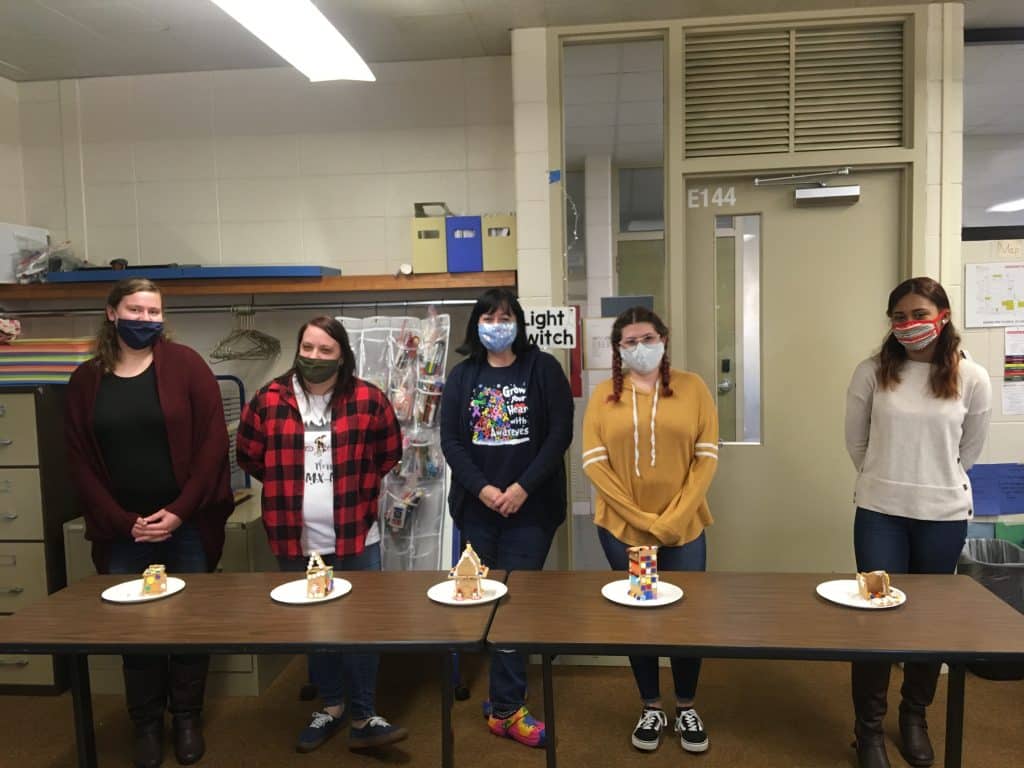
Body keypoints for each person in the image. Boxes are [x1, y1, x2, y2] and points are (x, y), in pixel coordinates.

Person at [65, 278, 234, 768]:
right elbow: (79, 462)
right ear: (112, 314)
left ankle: (186, 717)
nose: (145, 319)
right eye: (135, 310)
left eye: (154, 311)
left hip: (186, 523)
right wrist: (123, 521)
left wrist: (180, 510)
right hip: (123, 530)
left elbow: (211, 446)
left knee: (188, 626)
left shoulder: (187, 366)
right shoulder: (85, 381)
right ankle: (144, 723)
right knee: (133, 631)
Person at [236, 316, 408, 755]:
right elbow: (249, 455)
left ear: (342, 356)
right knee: (316, 628)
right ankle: (329, 707)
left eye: (325, 350)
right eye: (307, 348)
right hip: (296, 540)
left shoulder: (368, 398)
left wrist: (360, 488)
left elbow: (390, 451)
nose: (313, 357)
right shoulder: (269, 399)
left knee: (361, 627)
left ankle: (365, 715)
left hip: (356, 537)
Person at [844, 277, 991, 768]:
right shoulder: (872, 372)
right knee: (875, 620)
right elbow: (857, 443)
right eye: (899, 316)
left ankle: (913, 717)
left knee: (928, 624)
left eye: (918, 314)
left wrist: (932, 481)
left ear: (943, 315)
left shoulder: (972, 377)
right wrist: (887, 480)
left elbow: (967, 451)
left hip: (942, 518)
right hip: (880, 514)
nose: (908, 325)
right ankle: (867, 730)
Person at [581, 306, 719, 755]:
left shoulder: (693, 388)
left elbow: (706, 457)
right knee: (640, 618)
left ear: (664, 338)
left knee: (685, 621)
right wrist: (642, 523)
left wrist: (676, 518)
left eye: (647, 338)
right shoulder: (605, 395)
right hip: (625, 531)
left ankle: (686, 705)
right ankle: (650, 706)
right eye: (629, 342)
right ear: (618, 349)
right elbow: (595, 465)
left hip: (685, 530)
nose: (640, 348)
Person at [440, 288, 574, 748]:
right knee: (483, 599)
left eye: (505, 316)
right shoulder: (463, 376)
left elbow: (560, 434)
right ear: (476, 324)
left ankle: (506, 708)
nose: (497, 323)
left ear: (518, 322)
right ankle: (503, 699)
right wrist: (485, 489)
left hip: (530, 511)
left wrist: (520, 489)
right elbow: (452, 443)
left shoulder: (543, 369)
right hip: (477, 511)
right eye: (489, 316)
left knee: (513, 604)